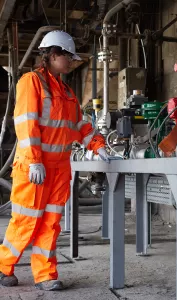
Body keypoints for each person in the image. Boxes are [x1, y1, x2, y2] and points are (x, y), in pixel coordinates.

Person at [0, 30, 110, 291]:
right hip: (34, 166)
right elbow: (26, 124)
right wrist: (35, 160)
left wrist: (98, 145)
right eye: (68, 57)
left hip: (60, 168)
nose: (71, 62)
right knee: (26, 220)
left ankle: (45, 274)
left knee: (51, 223)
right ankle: (4, 266)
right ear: (52, 54)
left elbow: (79, 125)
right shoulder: (31, 82)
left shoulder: (66, 91)